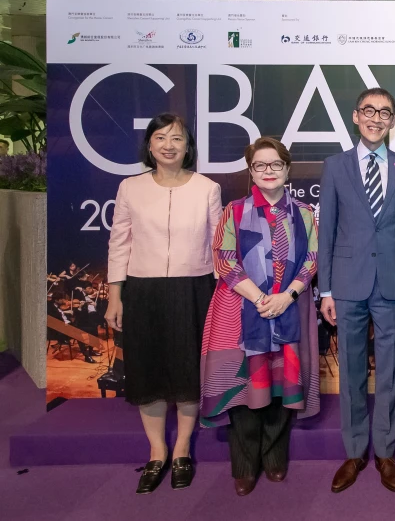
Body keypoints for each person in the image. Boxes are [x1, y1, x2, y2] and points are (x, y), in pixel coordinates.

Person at [105, 113, 222, 494]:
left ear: (188, 146)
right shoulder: (130, 188)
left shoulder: (207, 188)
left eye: (177, 138)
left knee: (189, 371)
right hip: (143, 291)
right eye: (161, 138)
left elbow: (218, 246)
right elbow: (119, 243)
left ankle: (183, 450)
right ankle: (157, 451)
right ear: (149, 145)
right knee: (149, 370)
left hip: (195, 289)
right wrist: (115, 296)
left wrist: (224, 297)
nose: (169, 145)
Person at [200, 137, 320, 496]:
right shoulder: (234, 211)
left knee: (283, 386)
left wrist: (286, 296)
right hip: (240, 310)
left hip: (289, 308)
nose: (268, 171)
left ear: (287, 170)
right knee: (245, 386)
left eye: (275, 165)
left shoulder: (304, 213)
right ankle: (244, 464)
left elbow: (312, 259)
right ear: (251, 170)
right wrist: (259, 297)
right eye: (260, 165)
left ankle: (274, 457)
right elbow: (224, 259)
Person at [318, 88, 395, 493]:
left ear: (392, 122)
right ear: (356, 116)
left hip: (393, 284)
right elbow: (326, 233)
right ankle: (355, 451)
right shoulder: (335, 166)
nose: (377, 118)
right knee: (352, 372)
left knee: (391, 373)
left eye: (385, 113)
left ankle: (385, 452)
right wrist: (325, 289)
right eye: (369, 111)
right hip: (347, 283)